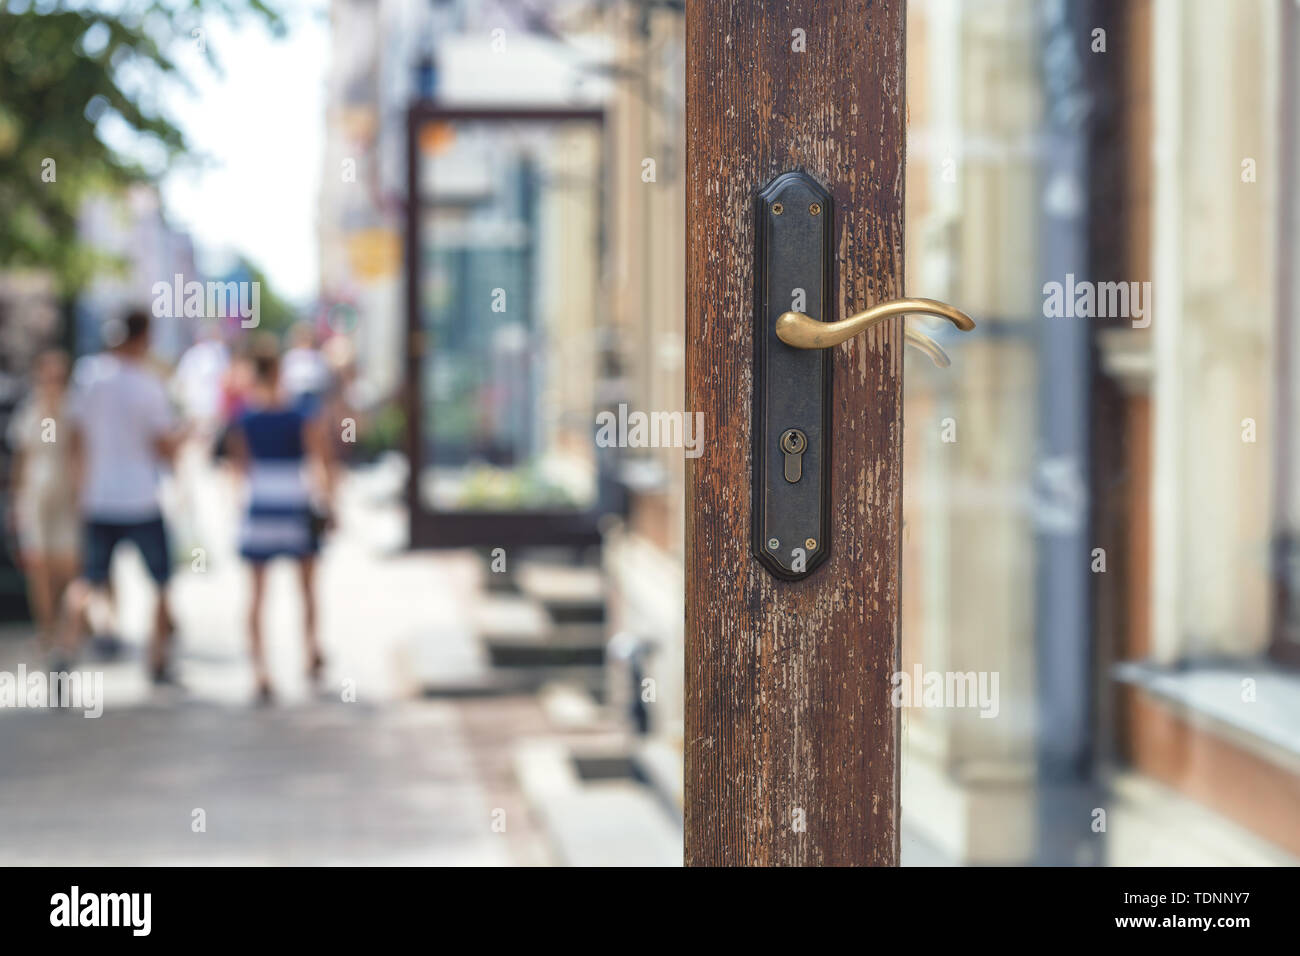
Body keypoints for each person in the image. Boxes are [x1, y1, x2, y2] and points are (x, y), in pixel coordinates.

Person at [59, 310, 185, 683]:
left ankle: (64, 649)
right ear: (143, 337)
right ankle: (157, 660)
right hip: (141, 498)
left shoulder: (88, 375)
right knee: (161, 581)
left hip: (98, 497)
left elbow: (74, 437)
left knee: (87, 579)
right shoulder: (148, 385)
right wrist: (186, 436)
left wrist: (78, 488)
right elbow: (162, 446)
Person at [226, 336, 337, 704]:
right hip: (294, 501)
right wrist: (330, 502)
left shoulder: (244, 418)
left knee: (257, 593)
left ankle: (260, 670)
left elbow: (238, 470)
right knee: (306, 588)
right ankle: (310, 653)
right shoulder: (300, 414)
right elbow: (320, 460)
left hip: (261, 503)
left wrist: (240, 506)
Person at [7, 350, 79, 653]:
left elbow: (77, 451)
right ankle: (46, 630)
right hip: (36, 495)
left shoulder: (73, 410)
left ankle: (66, 629)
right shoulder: (29, 411)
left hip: (67, 495)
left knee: (66, 563)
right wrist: (15, 501)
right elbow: (22, 458)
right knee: (39, 565)